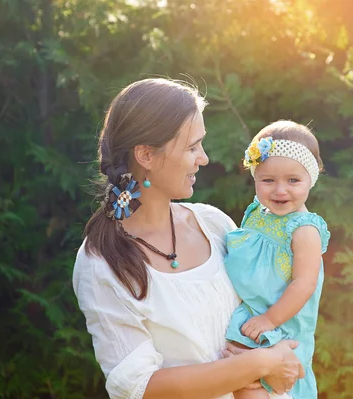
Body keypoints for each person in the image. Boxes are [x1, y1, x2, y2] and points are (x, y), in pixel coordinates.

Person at [72, 78, 304, 399]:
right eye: (192, 147)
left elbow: (262, 311)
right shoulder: (102, 262)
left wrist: (276, 366)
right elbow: (141, 386)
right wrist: (258, 364)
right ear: (146, 155)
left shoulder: (214, 224)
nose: (204, 158)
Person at [225, 121, 330, 399]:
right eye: (268, 180)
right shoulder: (257, 213)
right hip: (249, 314)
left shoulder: (304, 229)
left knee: (257, 389)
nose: (280, 191)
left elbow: (304, 284)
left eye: (293, 181)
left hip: (279, 323)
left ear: (311, 178)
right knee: (238, 382)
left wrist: (270, 320)